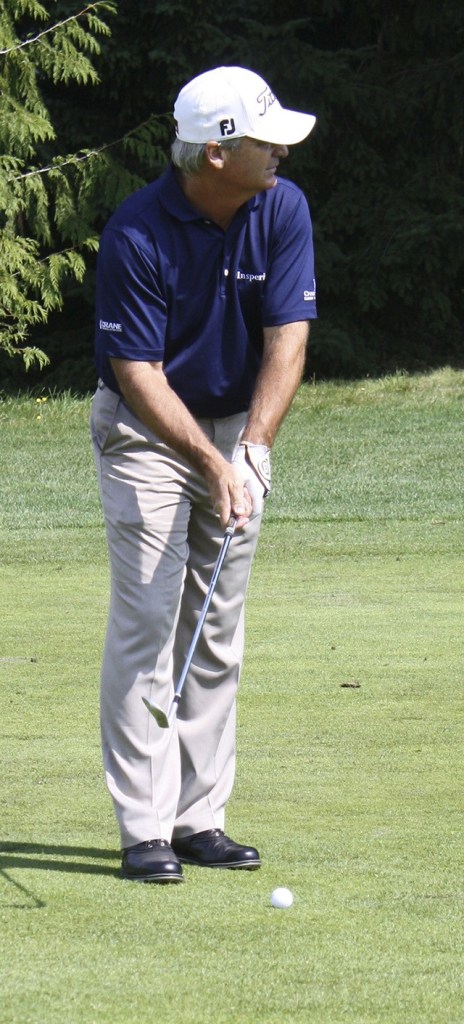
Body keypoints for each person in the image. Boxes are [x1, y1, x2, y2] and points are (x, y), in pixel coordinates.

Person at [90, 65, 317, 883]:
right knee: (150, 623)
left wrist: (252, 449)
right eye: (265, 140)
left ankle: (198, 819)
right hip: (148, 433)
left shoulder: (281, 208)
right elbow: (138, 373)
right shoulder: (137, 231)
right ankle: (144, 830)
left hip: (231, 429)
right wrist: (211, 460)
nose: (281, 152)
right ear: (217, 154)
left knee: (215, 629)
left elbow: (287, 337)